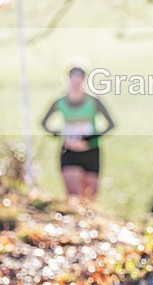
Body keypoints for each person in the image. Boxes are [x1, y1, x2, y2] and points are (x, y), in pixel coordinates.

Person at [41, 66, 115, 202]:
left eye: (79, 78)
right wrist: (62, 138)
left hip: (91, 151)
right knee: (74, 198)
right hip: (69, 151)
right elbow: (44, 123)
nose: (76, 82)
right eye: (73, 78)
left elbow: (111, 125)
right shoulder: (60, 102)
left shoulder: (94, 102)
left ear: (84, 80)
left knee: (89, 199)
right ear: (68, 79)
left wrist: (89, 141)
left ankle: (88, 222)